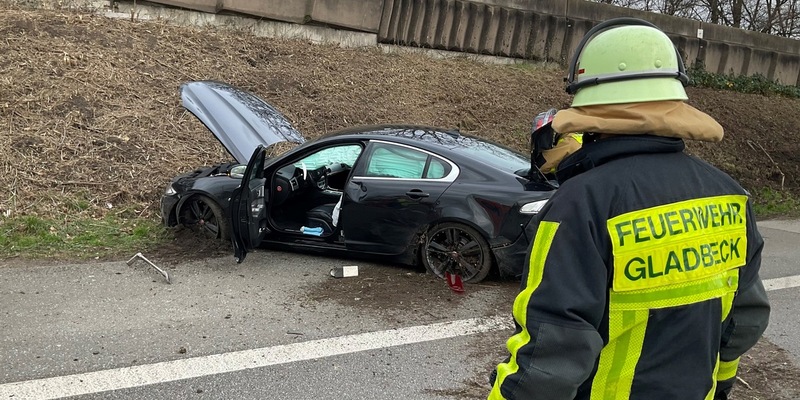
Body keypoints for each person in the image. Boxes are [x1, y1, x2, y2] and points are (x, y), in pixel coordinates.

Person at [489, 17, 770, 400]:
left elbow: (552, 350)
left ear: (590, 106)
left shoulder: (579, 203)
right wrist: (717, 386)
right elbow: (745, 321)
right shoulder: (730, 194)